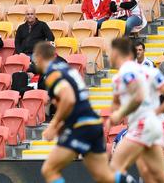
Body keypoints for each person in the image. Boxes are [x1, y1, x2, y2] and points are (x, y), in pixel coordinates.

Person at [33, 41, 131, 183]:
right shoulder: (66, 69)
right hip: (94, 124)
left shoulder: (52, 73)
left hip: (81, 126)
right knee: (103, 176)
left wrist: (53, 125)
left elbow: (69, 99)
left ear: (39, 57)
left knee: (49, 170)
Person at [109, 37, 164, 183]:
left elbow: (137, 96)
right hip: (157, 125)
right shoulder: (150, 71)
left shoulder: (123, 74)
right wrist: (155, 113)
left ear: (116, 53)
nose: (108, 56)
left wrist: (120, 114)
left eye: (109, 52)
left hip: (143, 125)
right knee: (154, 175)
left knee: (114, 169)